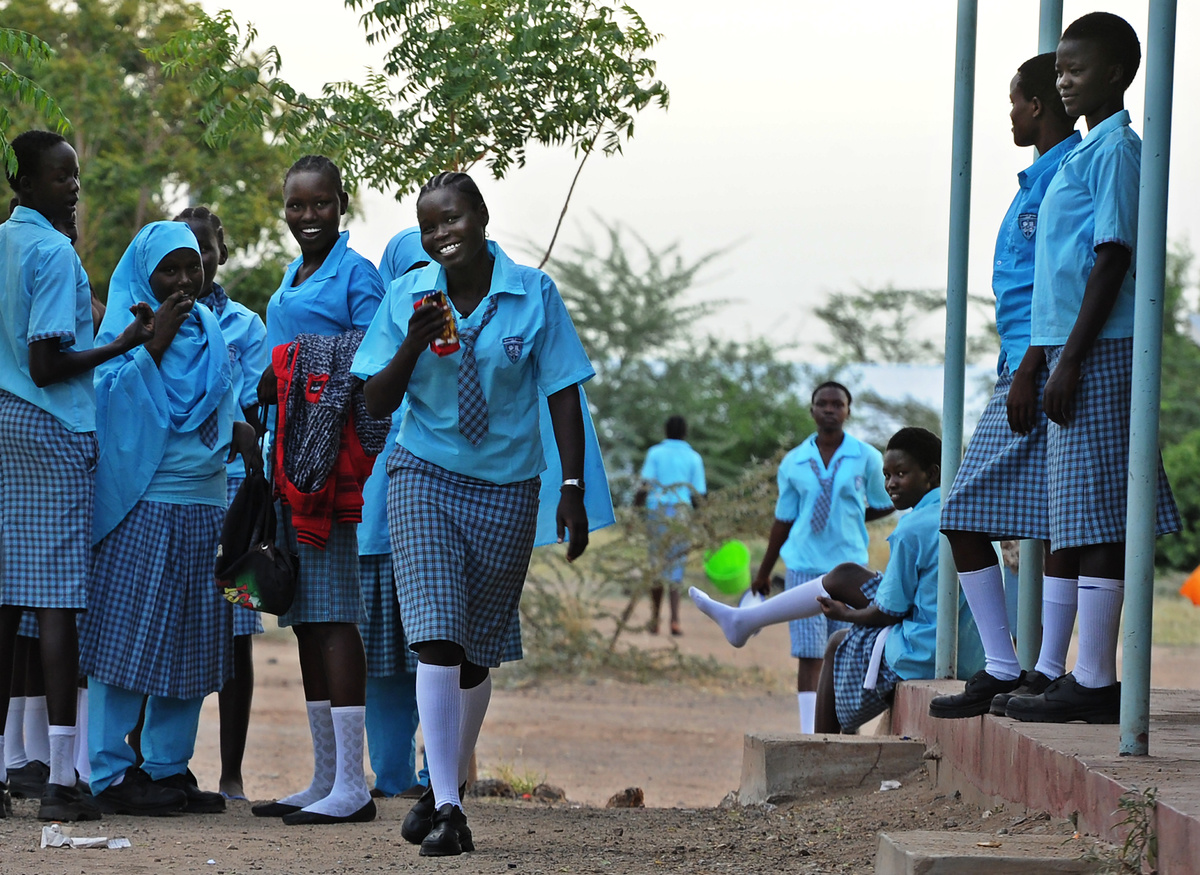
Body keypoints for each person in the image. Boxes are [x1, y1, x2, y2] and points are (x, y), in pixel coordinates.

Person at [352, 171, 594, 856]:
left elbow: (564, 392)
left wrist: (570, 486)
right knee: (436, 635)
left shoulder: (533, 294)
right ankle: (452, 808)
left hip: (509, 484)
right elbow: (375, 402)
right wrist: (412, 343)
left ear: (481, 216)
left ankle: (441, 783)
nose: (440, 234)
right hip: (422, 473)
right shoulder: (407, 296)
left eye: (451, 219)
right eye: (428, 226)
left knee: (476, 651)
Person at [1003, 12, 1180, 723]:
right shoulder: (1083, 153)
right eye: (1061, 71)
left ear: (1116, 73)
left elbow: (1113, 257)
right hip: (1070, 348)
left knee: (1100, 516)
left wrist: (1069, 359)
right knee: (1074, 516)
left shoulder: (1117, 152)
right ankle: (1065, 672)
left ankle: (1098, 679)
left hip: (1100, 350)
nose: (1065, 82)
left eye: (1077, 70)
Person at [0, 130, 154, 822]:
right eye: (60, 178)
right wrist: (121, 343)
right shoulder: (53, 252)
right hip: (51, 425)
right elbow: (45, 364)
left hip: (3, 425)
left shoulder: (3, 243)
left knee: (6, 601)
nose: (73, 188)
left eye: (75, 177)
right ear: (25, 185)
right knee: (59, 600)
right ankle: (63, 778)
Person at [81, 220, 259, 816]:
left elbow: (225, 400)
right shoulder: (126, 329)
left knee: (192, 638)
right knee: (126, 636)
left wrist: (241, 431)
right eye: (170, 270)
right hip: (142, 502)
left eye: (193, 267)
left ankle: (166, 767)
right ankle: (108, 772)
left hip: (206, 502)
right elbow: (102, 400)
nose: (185, 280)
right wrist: (149, 346)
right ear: (144, 275)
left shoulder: (211, 327)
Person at [930, 53, 1084, 720]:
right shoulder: (1038, 179)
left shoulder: (1063, 178)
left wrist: (1030, 365)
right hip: (1020, 361)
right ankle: (1036, 667)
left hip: (1035, 363)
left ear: (1037, 105)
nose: (1011, 113)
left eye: (1015, 100)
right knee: (1051, 523)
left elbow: (1063, 281)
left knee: (963, 510)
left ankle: (1011, 664)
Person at [250, 155, 386, 825]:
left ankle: (354, 787)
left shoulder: (357, 275)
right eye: (297, 205)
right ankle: (326, 776)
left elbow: (370, 355)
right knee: (304, 617)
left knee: (333, 614)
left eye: (320, 204)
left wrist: (290, 368)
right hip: (287, 461)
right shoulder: (295, 274)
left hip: (327, 465)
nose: (308, 216)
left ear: (342, 205)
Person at [693, 428, 983, 733]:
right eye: (886, 475)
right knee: (845, 576)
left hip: (929, 652)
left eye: (901, 473)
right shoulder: (966, 514)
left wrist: (847, 614)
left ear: (932, 474)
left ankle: (824, 748)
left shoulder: (912, 529)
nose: (890, 484)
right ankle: (745, 620)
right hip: (970, 650)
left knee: (836, 643)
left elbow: (889, 612)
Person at [179, 206, 270, 799]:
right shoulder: (158, 316)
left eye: (205, 250)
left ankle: (231, 773)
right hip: (178, 494)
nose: (195, 264)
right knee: (176, 621)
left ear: (222, 254)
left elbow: (257, 411)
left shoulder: (248, 328)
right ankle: (156, 765)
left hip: (233, 498)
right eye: (182, 254)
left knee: (237, 630)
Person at [748, 382, 893, 734]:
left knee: (844, 649)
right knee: (810, 653)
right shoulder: (795, 461)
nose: (829, 409)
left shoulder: (867, 457)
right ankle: (809, 732)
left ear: (848, 410)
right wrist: (765, 572)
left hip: (849, 568)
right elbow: (783, 519)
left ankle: (844, 728)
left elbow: (885, 501)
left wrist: (853, 515)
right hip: (803, 565)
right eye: (822, 404)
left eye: (837, 404)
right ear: (812, 410)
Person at [361, 227, 427, 799]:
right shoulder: (378, 351)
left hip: (443, 526)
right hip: (376, 533)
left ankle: (442, 774)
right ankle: (395, 775)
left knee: (445, 649)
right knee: (384, 663)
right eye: (411, 273)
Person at [635, 414, 706, 636]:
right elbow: (698, 495)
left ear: (665, 431)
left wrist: (635, 512)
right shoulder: (694, 458)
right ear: (685, 433)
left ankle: (655, 619)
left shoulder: (655, 453)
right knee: (676, 565)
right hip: (682, 514)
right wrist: (703, 521)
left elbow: (645, 485)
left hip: (657, 513)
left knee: (656, 564)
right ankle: (675, 620)